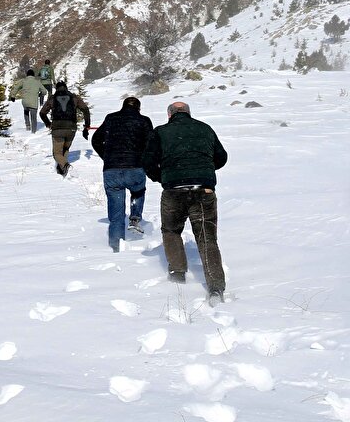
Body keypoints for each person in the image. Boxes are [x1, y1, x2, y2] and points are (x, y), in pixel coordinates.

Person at [143, 100, 229, 305]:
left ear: (169, 115)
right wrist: (203, 170)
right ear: (189, 113)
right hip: (204, 190)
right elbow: (222, 157)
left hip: (174, 190)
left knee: (172, 231)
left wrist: (162, 177)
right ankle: (216, 287)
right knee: (207, 238)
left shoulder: (161, 132)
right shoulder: (205, 128)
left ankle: (177, 274)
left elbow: (147, 161)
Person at [91, 96, 153, 252]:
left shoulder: (111, 118)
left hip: (112, 170)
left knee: (117, 213)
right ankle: (135, 218)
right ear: (138, 108)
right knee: (138, 191)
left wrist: (106, 156)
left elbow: (96, 140)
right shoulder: (144, 121)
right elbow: (152, 144)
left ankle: (116, 247)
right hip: (135, 167)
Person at [39, 80, 90, 176]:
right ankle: (62, 170)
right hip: (71, 129)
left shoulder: (52, 98)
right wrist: (87, 126)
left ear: (56, 88)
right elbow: (86, 110)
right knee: (65, 149)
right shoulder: (74, 97)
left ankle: (66, 166)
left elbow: (42, 113)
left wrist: (48, 123)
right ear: (66, 88)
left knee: (57, 153)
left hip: (57, 128)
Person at [8, 69, 45, 133]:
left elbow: (16, 87)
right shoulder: (37, 82)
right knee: (33, 118)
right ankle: (33, 131)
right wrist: (40, 94)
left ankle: (27, 126)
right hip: (33, 103)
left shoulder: (23, 81)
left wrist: (13, 96)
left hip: (25, 102)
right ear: (33, 75)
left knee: (26, 111)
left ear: (27, 75)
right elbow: (44, 91)